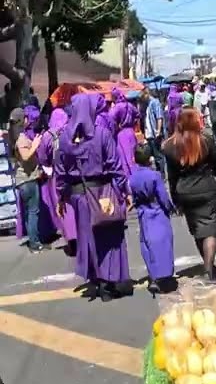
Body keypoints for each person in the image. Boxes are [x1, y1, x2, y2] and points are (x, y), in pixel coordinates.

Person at [56, 92, 131, 302]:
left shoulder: (64, 138)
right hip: (103, 193)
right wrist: (125, 192)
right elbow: (116, 167)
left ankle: (96, 281)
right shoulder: (102, 134)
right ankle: (109, 283)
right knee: (110, 238)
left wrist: (62, 197)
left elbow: (60, 173)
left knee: (87, 238)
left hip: (79, 197)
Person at [163, 107, 216, 280]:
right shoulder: (205, 141)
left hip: (185, 192)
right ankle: (209, 269)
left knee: (197, 231)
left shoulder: (170, 146)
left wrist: (175, 200)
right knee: (210, 231)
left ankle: (208, 266)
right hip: (206, 188)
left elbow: (172, 177)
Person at [129, 145, 177, 294]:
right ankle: (165, 275)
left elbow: (133, 196)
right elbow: (162, 196)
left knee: (148, 245)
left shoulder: (132, 177)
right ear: (150, 159)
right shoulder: (154, 175)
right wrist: (170, 207)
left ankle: (154, 275)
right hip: (157, 211)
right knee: (163, 243)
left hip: (144, 212)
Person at [10, 107, 46, 252]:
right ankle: (35, 243)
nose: (27, 120)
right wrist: (35, 145)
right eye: (25, 117)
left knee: (29, 213)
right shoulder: (20, 138)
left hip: (22, 180)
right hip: (27, 179)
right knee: (33, 212)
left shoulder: (13, 136)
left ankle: (33, 239)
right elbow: (25, 156)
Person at [37, 108, 73, 246]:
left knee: (61, 204)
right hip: (72, 171)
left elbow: (42, 156)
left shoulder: (47, 135)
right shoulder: (70, 130)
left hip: (56, 172)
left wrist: (48, 165)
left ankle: (70, 238)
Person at [111, 88, 140, 178]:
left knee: (125, 159)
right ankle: (137, 175)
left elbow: (110, 119)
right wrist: (132, 122)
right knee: (133, 156)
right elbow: (138, 114)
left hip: (121, 134)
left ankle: (129, 180)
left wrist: (117, 127)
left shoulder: (117, 107)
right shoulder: (129, 105)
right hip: (131, 132)